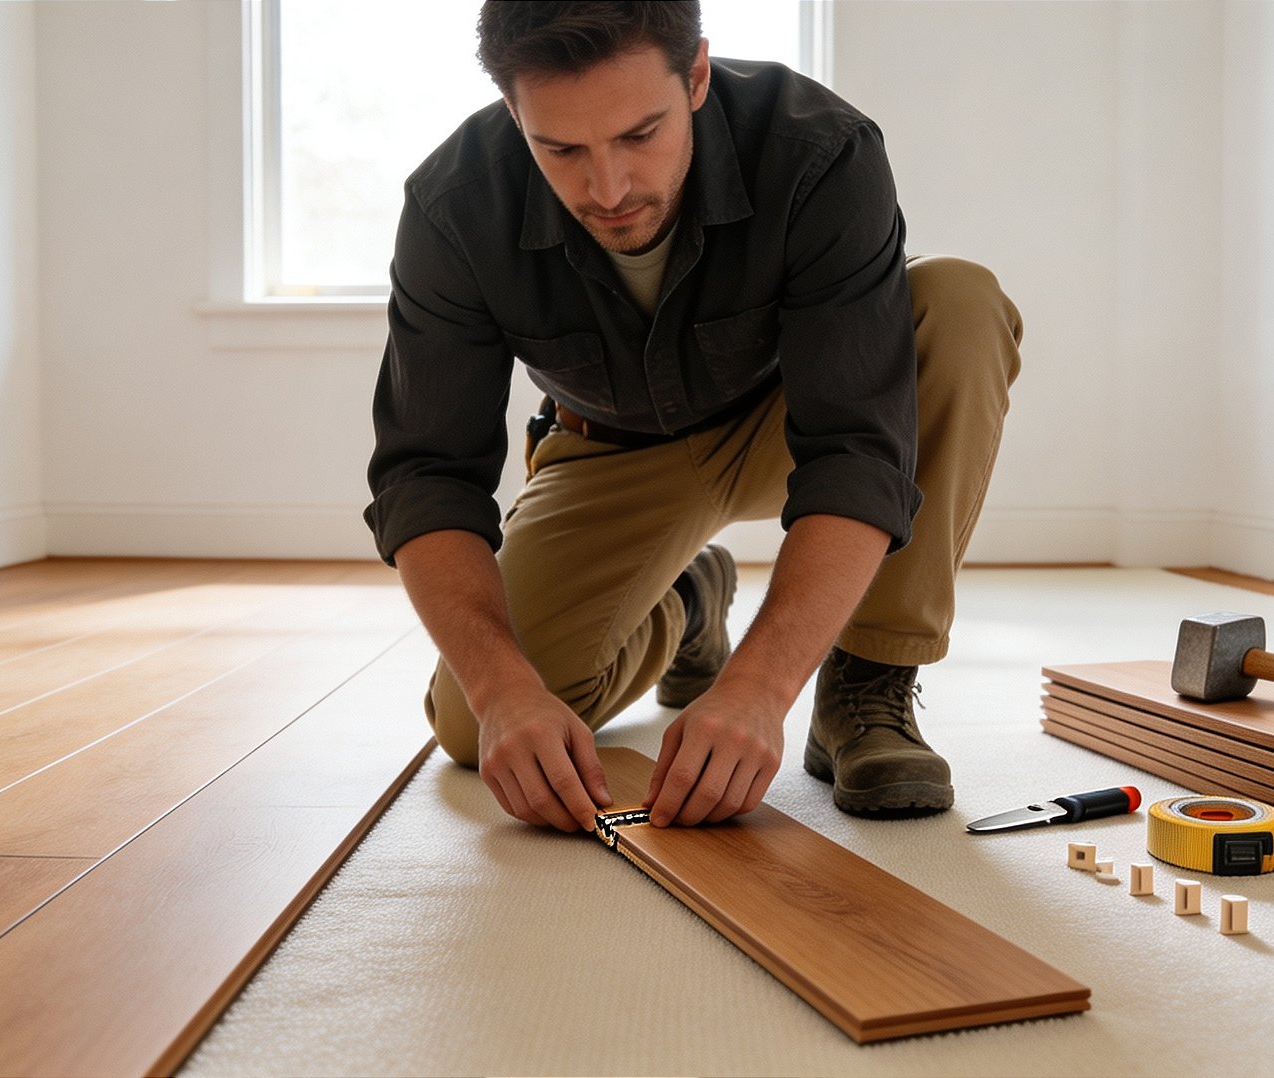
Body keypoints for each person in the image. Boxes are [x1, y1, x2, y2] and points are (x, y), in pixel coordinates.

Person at [364, 1, 1022, 833]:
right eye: (560, 148)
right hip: (609, 448)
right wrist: (503, 693)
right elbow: (426, 475)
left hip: (791, 423)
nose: (608, 190)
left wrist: (760, 687)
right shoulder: (453, 204)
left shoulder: (819, 150)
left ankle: (867, 685)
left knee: (958, 301)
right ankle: (686, 607)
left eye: (640, 134)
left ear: (698, 75)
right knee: (469, 722)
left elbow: (856, 446)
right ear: (512, 111)